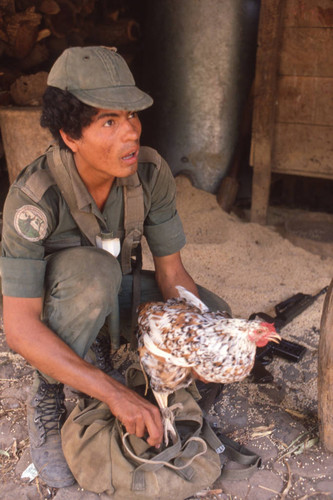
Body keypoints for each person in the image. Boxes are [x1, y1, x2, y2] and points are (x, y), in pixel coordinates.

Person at [1, 46, 230, 488]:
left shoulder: (150, 172)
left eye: (132, 115)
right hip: (66, 309)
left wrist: (202, 342)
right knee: (94, 274)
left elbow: (172, 276)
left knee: (214, 315)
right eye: (110, 121)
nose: (131, 133)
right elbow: (20, 327)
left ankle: (109, 365)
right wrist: (114, 394)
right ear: (70, 134)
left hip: (121, 300)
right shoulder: (33, 199)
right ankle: (47, 396)